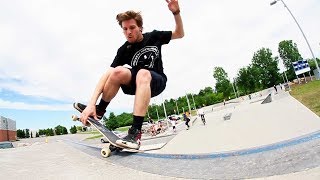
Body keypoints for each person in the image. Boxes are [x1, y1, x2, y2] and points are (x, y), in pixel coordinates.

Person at [73, 0, 184, 150]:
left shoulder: (154, 36)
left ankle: (135, 133)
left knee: (143, 73)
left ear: (140, 27)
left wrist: (175, 13)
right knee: (117, 71)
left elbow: (179, 34)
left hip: (156, 81)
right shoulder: (124, 49)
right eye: (125, 29)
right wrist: (91, 103)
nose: (128, 32)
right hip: (136, 84)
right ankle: (99, 110)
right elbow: (108, 74)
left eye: (132, 28)